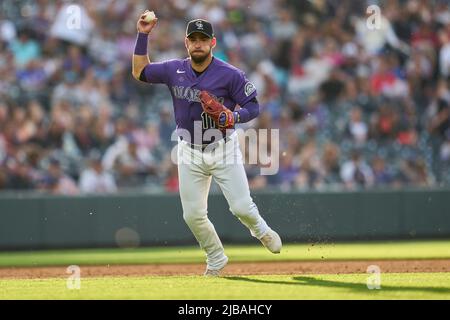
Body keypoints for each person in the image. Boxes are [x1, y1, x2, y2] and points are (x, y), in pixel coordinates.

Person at [131, 11, 282, 276]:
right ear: (186, 43)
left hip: (222, 147)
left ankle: (261, 230)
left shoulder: (230, 74)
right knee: (192, 215)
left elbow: (253, 106)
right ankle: (215, 257)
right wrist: (143, 35)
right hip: (188, 150)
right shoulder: (173, 69)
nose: (198, 43)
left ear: (213, 43)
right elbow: (139, 71)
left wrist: (233, 116)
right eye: (194, 39)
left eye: (203, 39)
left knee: (241, 208)